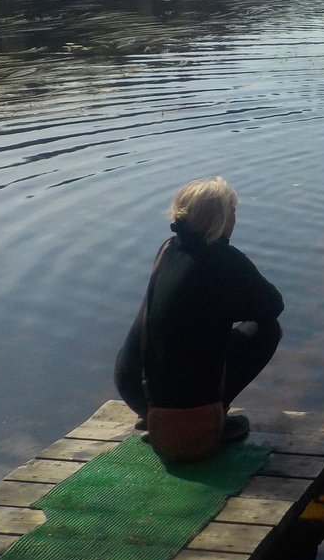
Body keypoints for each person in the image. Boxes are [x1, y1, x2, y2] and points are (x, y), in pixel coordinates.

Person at [115, 176, 284, 460]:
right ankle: (210, 418)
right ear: (221, 218)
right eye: (232, 211)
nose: (235, 218)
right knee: (267, 329)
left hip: (134, 387)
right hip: (182, 405)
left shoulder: (168, 249)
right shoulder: (223, 259)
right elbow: (272, 306)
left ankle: (161, 416)